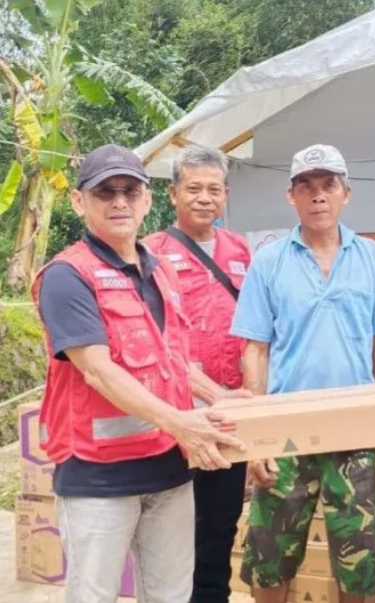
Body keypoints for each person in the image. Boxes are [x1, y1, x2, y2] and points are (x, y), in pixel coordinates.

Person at [29, 144, 249, 603]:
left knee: (171, 595)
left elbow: (173, 360)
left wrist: (218, 397)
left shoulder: (160, 270)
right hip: (99, 479)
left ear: (147, 199)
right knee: (95, 596)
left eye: (130, 190)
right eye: (105, 192)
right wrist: (182, 424)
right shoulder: (69, 276)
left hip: (168, 471)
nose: (119, 202)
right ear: (78, 201)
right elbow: (98, 371)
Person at [231, 143, 375, 603]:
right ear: (290, 196)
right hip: (286, 434)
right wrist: (257, 438)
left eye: (328, 185)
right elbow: (256, 349)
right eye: (306, 187)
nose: (318, 197)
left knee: (359, 564)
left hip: (355, 431)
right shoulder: (269, 261)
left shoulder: (371, 257)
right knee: (269, 562)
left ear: (345, 193)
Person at [143, 145, 252, 603]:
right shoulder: (149, 254)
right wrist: (209, 393)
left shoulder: (242, 250)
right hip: (177, 415)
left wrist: (249, 394)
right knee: (172, 529)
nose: (204, 198)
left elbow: (255, 331)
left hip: (230, 413)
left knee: (220, 526)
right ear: (173, 194)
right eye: (193, 189)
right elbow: (153, 340)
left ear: (226, 194)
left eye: (214, 189)